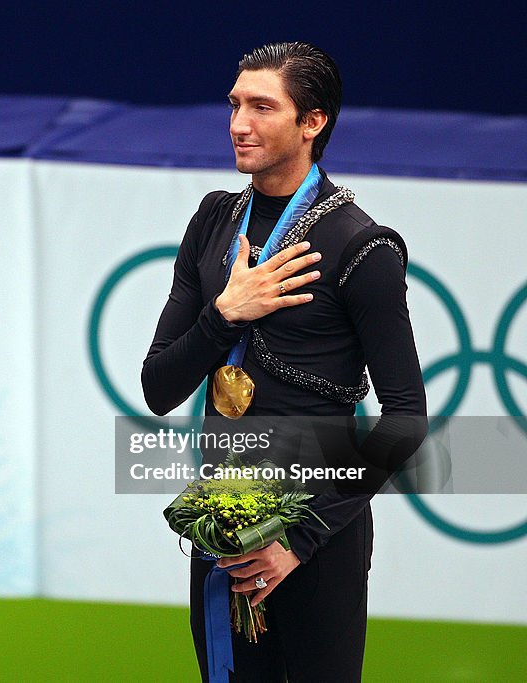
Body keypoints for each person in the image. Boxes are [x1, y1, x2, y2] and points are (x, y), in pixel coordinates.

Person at [142, 43, 426, 682]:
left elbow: (406, 418)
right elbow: (159, 387)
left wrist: (296, 543)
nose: (239, 123)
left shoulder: (359, 245)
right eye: (235, 104)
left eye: (262, 107)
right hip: (221, 522)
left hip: (315, 540)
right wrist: (226, 313)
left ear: (312, 122)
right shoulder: (214, 220)